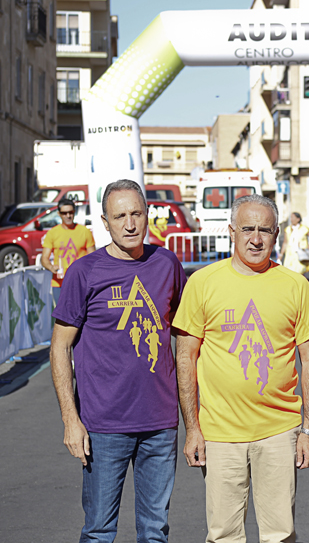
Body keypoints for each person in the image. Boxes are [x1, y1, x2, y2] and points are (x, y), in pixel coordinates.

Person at [174, 194, 309, 543]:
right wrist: (193, 429)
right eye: (247, 229)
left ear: (277, 234)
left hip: (280, 432)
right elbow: (185, 358)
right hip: (219, 434)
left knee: (280, 534)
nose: (256, 239)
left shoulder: (295, 286)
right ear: (231, 231)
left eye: (265, 230)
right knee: (223, 534)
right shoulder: (202, 283)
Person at [49, 179, 187, 542]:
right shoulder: (85, 272)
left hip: (160, 424)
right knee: (98, 531)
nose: (129, 224)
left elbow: (187, 337)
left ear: (148, 215)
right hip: (102, 425)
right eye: (120, 216)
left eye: (136, 214)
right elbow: (60, 347)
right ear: (105, 222)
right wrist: (70, 419)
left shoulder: (167, 264)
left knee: (155, 531)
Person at [41, 196, 95, 303]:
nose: (68, 216)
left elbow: (93, 258)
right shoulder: (52, 233)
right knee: (62, 318)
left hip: (80, 282)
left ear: (74, 212)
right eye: (64, 213)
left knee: (82, 315)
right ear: (59, 214)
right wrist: (51, 267)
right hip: (60, 283)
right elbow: (44, 259)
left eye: (71, 212)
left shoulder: (84, 231)